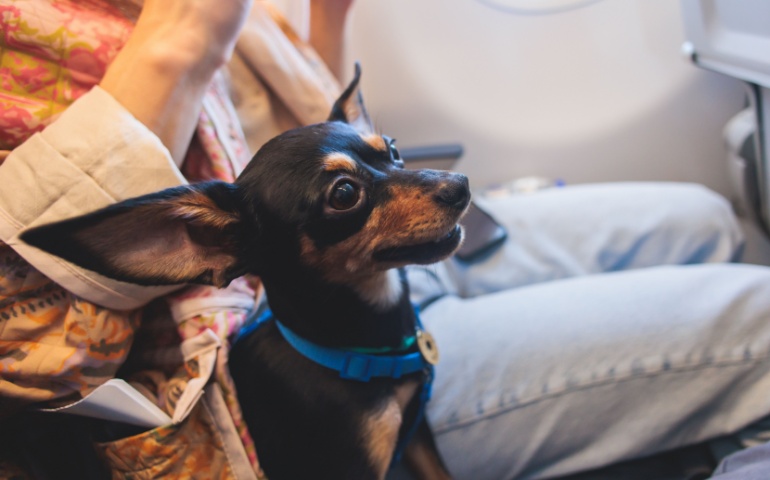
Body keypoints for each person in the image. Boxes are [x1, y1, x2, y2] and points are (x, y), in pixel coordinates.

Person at [2, 1, 770, 479]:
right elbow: (33, 345)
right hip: (284, 366)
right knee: (760, 311)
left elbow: (297, 149)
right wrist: (186, 34)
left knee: (699, 215)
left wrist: (326, 19)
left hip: (378, 267)